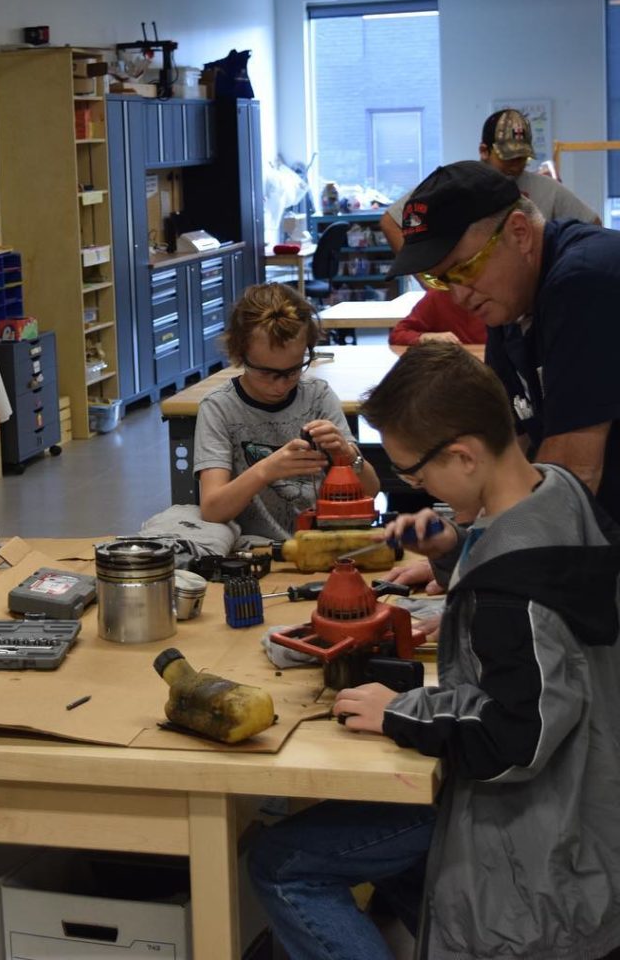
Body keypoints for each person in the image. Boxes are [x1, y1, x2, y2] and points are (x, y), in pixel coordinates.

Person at [249, 342, 620, 960]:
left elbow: (518, 735)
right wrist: (459, 550)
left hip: (530, 839)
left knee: (283, 863)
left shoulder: (513, 592)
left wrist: (402, 712)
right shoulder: (560, 494)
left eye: (418, 476)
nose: (416, 488)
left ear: (464, 455)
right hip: (586, 794)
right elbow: (554, 624)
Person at [386, 158, 620, 591]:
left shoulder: (586, 282)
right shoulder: (507, 307)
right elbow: (504, 456)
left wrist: (489, 586)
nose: (457, 295)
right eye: (441, 281)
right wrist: (461, 557)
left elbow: (571, 475)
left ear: (519, 232)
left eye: (465, 268)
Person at [194, 282, 379, 541]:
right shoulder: (219, 408)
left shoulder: (318, 397)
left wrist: (347, 455)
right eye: (266, 373)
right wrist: (266, 470)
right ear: (239, 354)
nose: (280, 385)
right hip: (258, 552)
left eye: (292, 370)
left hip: (325, 543)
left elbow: (372, 490)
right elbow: (212, 510)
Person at [379, 108, 600, 253]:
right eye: (507, 158)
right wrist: (427, 280)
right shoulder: (454, 183)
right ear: (484, 151)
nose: (515, 165)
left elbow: (593, 227)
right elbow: (391, 221)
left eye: (521, 158)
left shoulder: (547, 190)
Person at [387, 288, 486, 347]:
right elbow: (397, 335)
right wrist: (426, 338)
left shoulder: (498, 296)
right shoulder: (438, 295)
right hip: (451, 371)